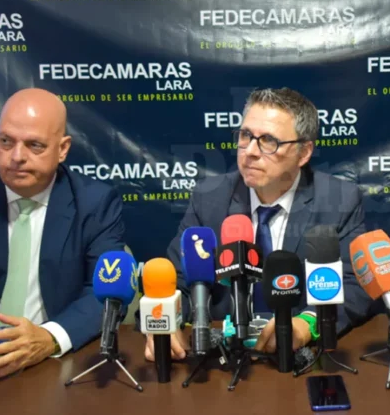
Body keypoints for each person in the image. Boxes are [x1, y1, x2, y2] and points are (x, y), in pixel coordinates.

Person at [145, 87, 372, 361]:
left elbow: (354, 285)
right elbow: (179, 281)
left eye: (268, 141)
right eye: (245, 136)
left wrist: (307, 323)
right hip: (225, 358)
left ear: (303, 153)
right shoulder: (209, 199)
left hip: (298, 359)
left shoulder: (339, 200)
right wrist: (167, 320)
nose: (250, 151)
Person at [0, 89, 126, 379]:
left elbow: (106, 293)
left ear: (63, 149)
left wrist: (50, 338)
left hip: (54, 368)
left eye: (34, 145)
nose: (17, 157)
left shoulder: (95, 204)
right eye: (6, 141)